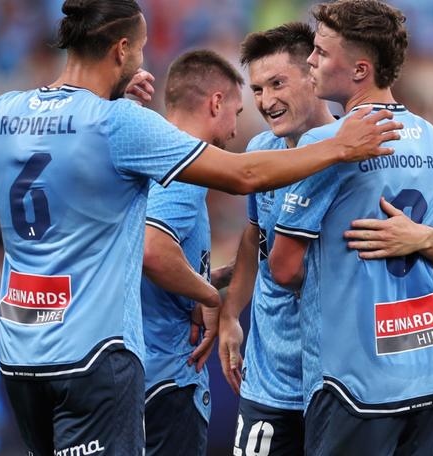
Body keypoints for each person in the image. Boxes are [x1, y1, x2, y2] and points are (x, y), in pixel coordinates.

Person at [0, 0, 401, 454]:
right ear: (121, 51)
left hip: (20, 350)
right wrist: (339, 147)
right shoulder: (120, 123)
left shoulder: (2, 113)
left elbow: (63, 157)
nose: (144, 63)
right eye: (141, 51)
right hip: (92, 352)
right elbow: (243, 175)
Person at [267, 1, 433, 454]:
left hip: (353, 384)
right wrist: (428, 238)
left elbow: (283, 268)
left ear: (360, 69)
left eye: (320, 52)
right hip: (429, 374)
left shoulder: (327, 144)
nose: (310, 61)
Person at [218, 22, 334, 456]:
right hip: (269, 380)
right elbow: (254, 237)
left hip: (338, 381)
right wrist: (231, 314)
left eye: (278, 83)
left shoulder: (353, 152)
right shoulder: (259, 150)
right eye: (258, 89)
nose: (266, 101)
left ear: (313, 74)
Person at [140, 49, 243, 456]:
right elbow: (152, 250)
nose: (235, 129)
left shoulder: (143, 154)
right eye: (236, 110)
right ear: (216, 103)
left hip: (133, 372)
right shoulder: (184, 166)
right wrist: (209, 296)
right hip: (165, 375)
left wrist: (216, 277)